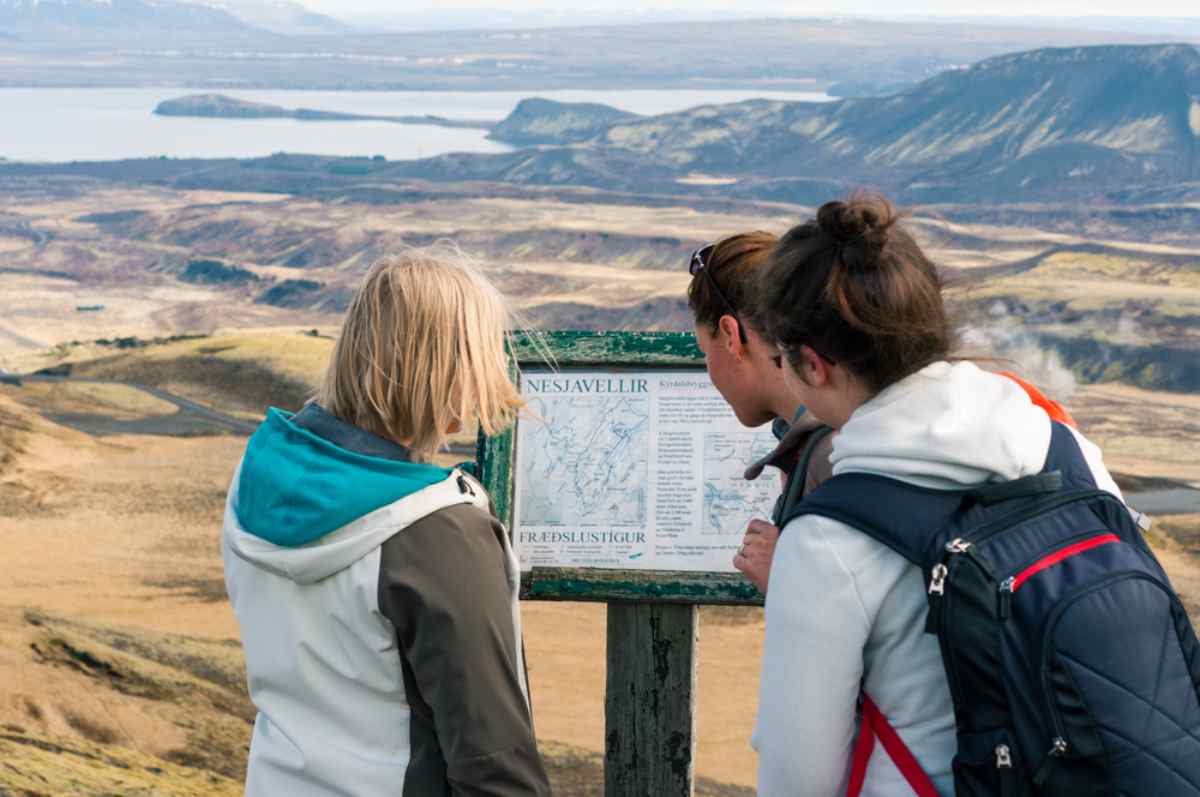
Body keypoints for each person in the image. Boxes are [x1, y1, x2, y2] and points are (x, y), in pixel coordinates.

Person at [746, 195, 1123, 796]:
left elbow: (799, 778)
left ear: (812, 365)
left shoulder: (827, 541)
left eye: (781, 359)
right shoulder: (1064, 449)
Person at [221, 249, 551, 796]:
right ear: (446, 369)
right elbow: (495, 766)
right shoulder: (437, 533)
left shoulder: (255, 476)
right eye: (477, 352)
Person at [686, 232, 835, 592]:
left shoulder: (833, 453)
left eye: (706, 349)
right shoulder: (830, 430)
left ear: (729, 335)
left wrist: (787, 578)